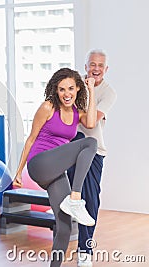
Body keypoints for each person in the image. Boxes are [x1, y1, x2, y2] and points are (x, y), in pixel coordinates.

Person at [13, 68, 98, 267]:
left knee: (65, 226)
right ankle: (76, 198)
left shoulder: (78, 113)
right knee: (89, 143)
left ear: (78, 88)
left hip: (55, 172)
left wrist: (92, 90)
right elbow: (31, 139)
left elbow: (92, 122)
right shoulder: (48, 107)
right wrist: (18, 172)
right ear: (56, 90)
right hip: (40, 163)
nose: (66, 94)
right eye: (61, 89)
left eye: (70, 88)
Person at [67, 49, 117, 267]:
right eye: (92, 64)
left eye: (100, 66)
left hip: (94, 150)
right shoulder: (73, 85)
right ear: (85, 66)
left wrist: (89, 91)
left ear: (105, 70)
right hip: (69, 147)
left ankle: (85, 249)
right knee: (68, 197)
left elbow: (90, 122)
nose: (96, 69)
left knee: (91, 197)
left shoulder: (108, 92)